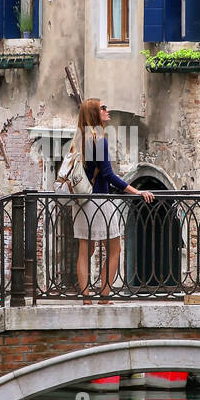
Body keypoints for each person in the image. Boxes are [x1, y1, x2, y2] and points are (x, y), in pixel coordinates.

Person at [71, 98, 154, 301]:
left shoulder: (78, 140)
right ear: (94, 114)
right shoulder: (99, 140)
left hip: (81, 202)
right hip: (99, 202)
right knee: (114, 249)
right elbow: (108, 175)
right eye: (103, 108)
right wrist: (136, 191)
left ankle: (86, 298)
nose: (107, 110)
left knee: (85, 249)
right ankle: (104, 296)